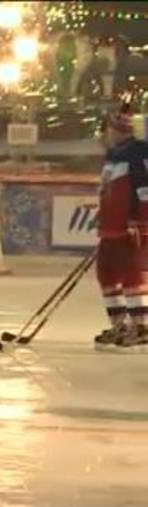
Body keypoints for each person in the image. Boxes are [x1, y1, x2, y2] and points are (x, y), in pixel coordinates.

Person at [94, 103, 148, 349]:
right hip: (110, 226)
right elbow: (110, 190)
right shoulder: (112, 155)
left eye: (105, 129)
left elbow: (144, 190)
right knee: (106, 273)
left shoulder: (138, 153)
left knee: (130, 274)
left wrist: (141, 220)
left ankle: (140, 326)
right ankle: (119, 325)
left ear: (115, 129)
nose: (102, 134)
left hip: (128, 227)